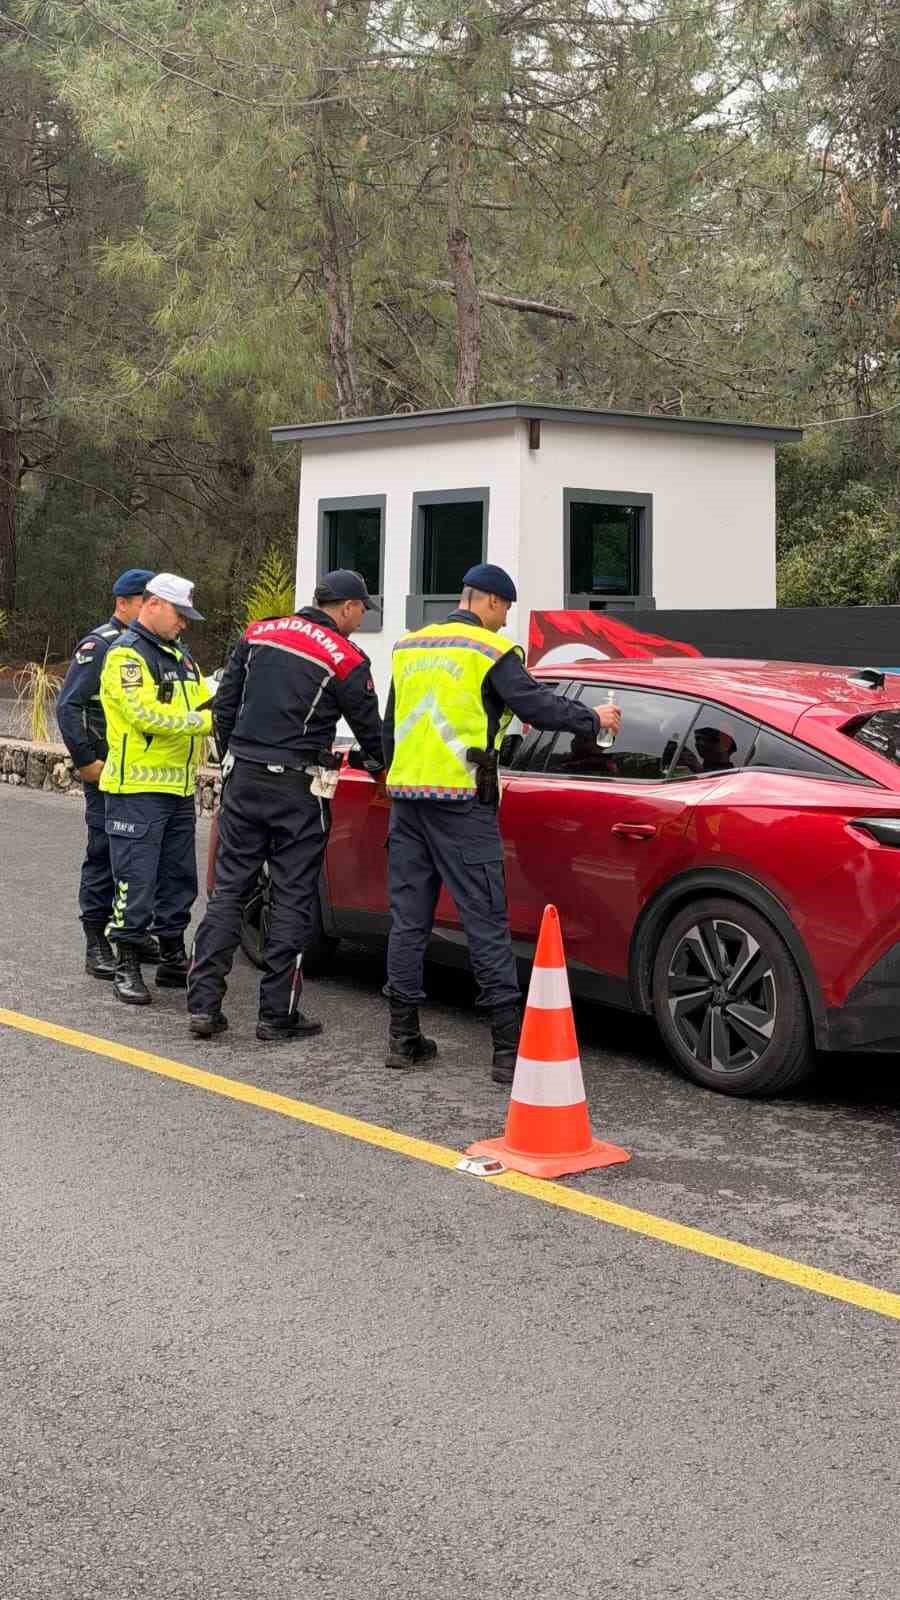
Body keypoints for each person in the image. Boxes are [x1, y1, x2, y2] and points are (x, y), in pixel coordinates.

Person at [382, 562, 621, 1084]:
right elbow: (535, 704)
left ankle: (402, 1037)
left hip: (407, 800)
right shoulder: (488, 652)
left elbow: (389, 727)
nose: (505, 618)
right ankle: (508, 1051)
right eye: (506, 608)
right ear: (488, 601)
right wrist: (593, 720)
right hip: (463, 802)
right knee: (485, 921)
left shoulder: (409, 646)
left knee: (408, 921)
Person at [187, 569, 386, 1044]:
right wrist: (381, 773)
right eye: (362, 610)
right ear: (347, 607)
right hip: (299, 789)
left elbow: (226, 705)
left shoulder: (258, 632)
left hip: (245, 779)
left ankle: (203, 1007)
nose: (361, 619)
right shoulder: (347, 658)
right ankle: (277, 1015)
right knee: (294, 896)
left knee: (229, 891)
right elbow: (370, 732)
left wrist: (236, 756)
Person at [99, 572, 213, 1006]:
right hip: (137, 790)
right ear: (152, 605)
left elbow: (203, 700)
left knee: (178, 879)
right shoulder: (125, 655)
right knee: (136, 879)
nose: (184, 624)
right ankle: (125, 959)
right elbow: (144, 715)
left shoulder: (182, 657)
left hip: (178, 788)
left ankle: (170, 955)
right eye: (179, 614)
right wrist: (206, 721)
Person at [56, 568, 158, 979]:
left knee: (137, 859)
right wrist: (85, 761)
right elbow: (69, 706)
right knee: (103, 854)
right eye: (146, 602)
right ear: (125, 603)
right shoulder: (102, 645)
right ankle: (95, 939)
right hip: (106, 771)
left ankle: (131, 933)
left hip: (139, 775)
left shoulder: (151, 648)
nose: (154, 609)